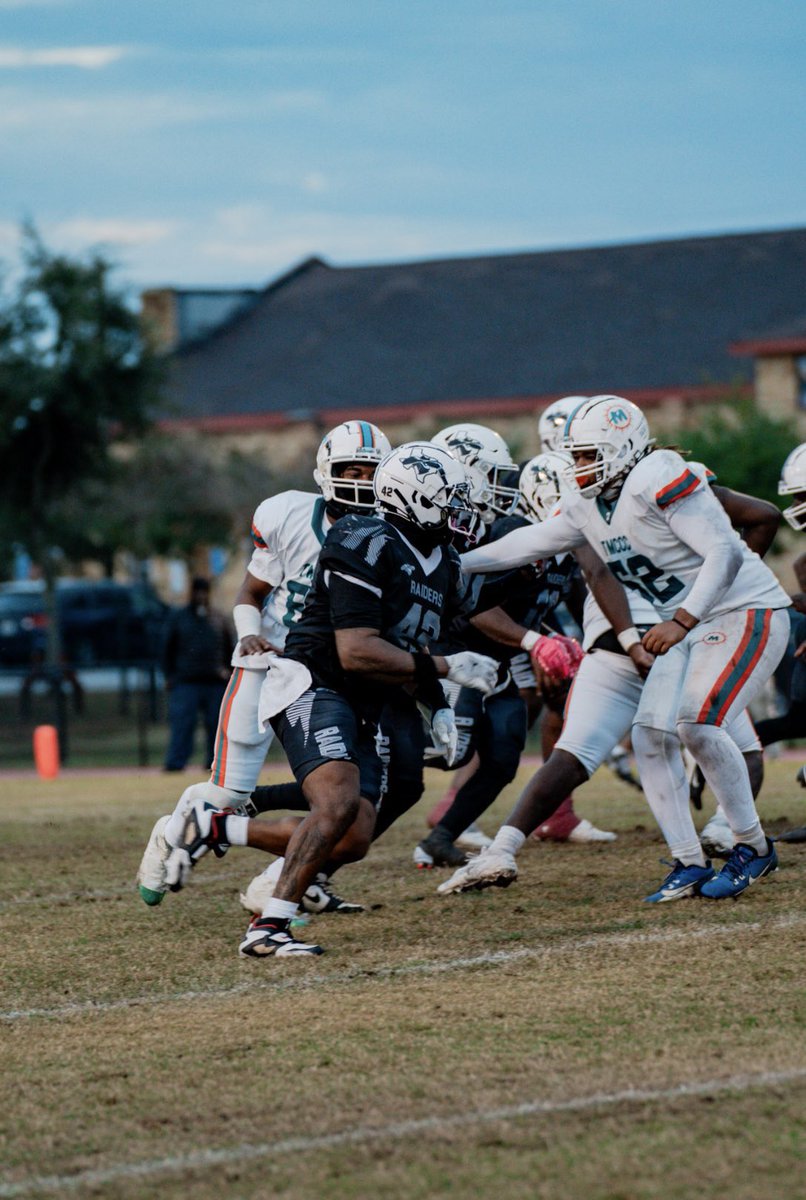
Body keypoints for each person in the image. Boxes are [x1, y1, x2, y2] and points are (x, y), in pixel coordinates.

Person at [439, 395, 791, 901]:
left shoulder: (659, 473)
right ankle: (689, 862)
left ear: (623, 446)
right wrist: (460, 565)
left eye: (586, 455)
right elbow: (533, 541)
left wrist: (681, 619)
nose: (578, 466)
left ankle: (752, 847)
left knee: (697, 723)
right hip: (695, 624)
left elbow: (724, 550)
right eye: (575, 456)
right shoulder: (587, 501)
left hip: (745, 612)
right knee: (650, 736)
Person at [164, 442, 502, 958]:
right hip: (311, 681)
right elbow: (357, 651)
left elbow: (416, 642)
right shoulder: (364, 538)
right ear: (413, 498)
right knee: (337, 802)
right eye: (451, 500)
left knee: (353, 837)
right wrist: (447, 669)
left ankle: (216, 826)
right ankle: (268, 929)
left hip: (361, 703)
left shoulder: (445, 565)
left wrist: (436, 705)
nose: (461, 512)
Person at [136, 419, 391, 906]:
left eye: (369, 472)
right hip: (270, 666)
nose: (359, 482)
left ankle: (285, 884)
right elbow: (250, 591)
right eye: (350, 470)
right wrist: (251, 635)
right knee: (231, 792)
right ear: (325, 472)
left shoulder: (387, 535)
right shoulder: (289, 515)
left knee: (343, 803)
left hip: (333, 680)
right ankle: (173, 829)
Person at [161, 577, 233, 773]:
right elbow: (167, 648)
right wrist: (169, 676)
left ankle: (214, 762)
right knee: (183, 724)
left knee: (216, 725)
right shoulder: (179, 618)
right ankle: (176, 763)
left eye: (204, 591)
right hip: (186, 681)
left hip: (215, 681)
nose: (201, 595)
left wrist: (227, 672)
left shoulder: (219, 617)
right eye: (197, 591)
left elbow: (230, 647)